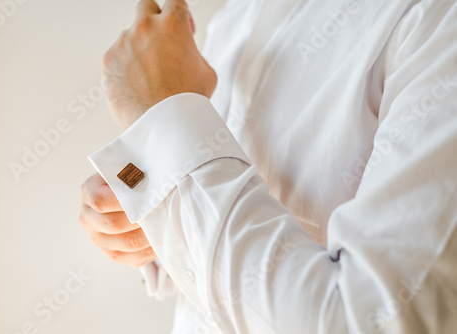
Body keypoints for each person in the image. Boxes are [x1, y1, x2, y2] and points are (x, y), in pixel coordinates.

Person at [78, 0, 457, 332]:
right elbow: (232, 208)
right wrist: (156, 215)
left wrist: (165, 115)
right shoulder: (236, 16)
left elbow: (367, 322)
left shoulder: (439, 21)